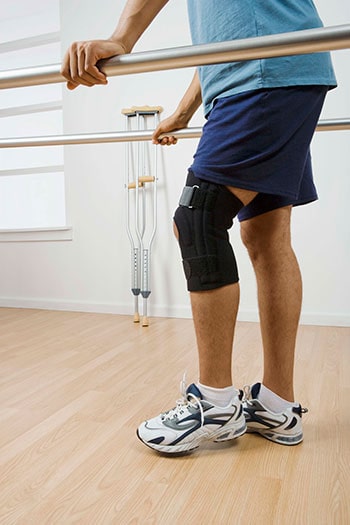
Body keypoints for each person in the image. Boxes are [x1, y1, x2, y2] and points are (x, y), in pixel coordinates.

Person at [61, 0, 337, 453]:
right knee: (265, 237)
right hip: (270, 72)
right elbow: (219, 40)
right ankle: (277, 404)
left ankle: (215, 403)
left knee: (198, 218)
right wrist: (186, 110)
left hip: (261, 72)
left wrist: (123, 39)